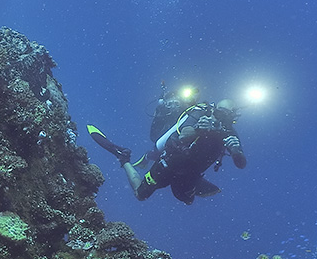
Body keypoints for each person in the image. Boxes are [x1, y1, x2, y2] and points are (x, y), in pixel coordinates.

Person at [87, 87, 246, 204]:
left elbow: (241, 164)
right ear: (214, 109)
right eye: (219, 113)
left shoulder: (230, 133)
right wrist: (198, 129)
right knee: (141, 194)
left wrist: (237, 151)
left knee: (187, 200)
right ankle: (123, 157)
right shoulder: (199, 114)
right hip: (170, 163)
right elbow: (182, 134)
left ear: (233, 118)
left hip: (190, 174)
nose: (219, 119)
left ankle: (189, 186)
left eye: (226, 116)